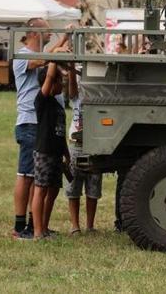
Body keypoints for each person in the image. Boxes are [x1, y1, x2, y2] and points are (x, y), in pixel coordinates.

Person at [10, 18, 50, 239]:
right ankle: (19, 226)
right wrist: (62, 40)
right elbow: (41, 61)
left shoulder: (35, 55)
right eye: (48, 31)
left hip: (38, 122)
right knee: (25, 175)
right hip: (28, 122)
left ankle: (34, 225)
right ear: (35, 33)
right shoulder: (23, 55)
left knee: (36, 176)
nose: (51, 35)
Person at [31, 61, 69, 239]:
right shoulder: (42, 100)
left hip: (56, 152)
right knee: (41, 189)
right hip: (44, 151)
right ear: (51, 82)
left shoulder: (58, 104)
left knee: (53, 190)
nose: (63, 84)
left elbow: (61, 132)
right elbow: (49, 76)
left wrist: (66, 155)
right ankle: (38, 231)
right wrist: (53, 58)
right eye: (60, 80)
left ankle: (45, 227)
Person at [64, 60, 101, 234]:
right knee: (73, 185)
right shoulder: (76, 97)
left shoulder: (98, 98)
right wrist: (71, 69)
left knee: (93, 185)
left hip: (93, 144)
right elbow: (71, 86)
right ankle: (75, 226)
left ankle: (90, 225)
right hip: (76, 144)